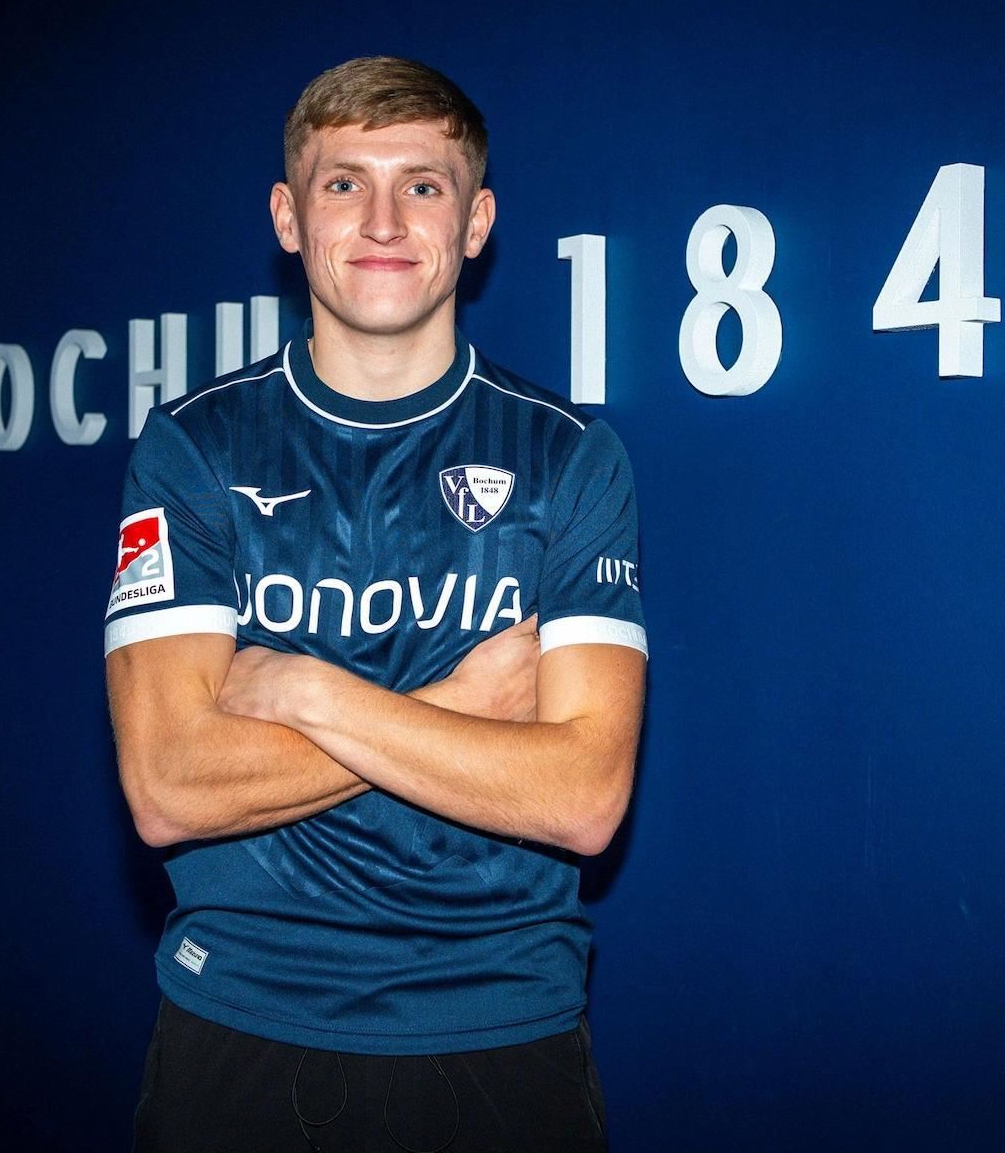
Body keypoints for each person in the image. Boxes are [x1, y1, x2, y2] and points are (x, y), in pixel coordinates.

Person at [105, 55, 646, 1152]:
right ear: (289, 218)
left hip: (503, 1032)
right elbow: (167, 786)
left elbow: (585, 795)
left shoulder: (569, 457)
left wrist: (304, 689)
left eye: (424, 185)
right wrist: (459, 703)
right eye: (345, 183)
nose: (385, 220)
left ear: (476, 221)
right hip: (243, 1025)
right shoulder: (194, 448)